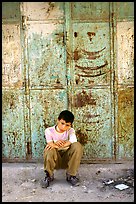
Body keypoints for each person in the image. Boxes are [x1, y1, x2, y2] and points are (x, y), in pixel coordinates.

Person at [41, 110, 83, 188]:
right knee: (49, 149)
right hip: (55, 159)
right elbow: (50, 144)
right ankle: (49, 175)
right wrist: (61, 144)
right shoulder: (49, 131)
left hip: (67, 159)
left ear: (70, 125)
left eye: (67, 125)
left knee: (77, 146)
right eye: (62, 123)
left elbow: (73, 140)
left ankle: (71, 175)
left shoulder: (70, 130)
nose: (64, 127)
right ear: (58, 120)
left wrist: (57, 144)